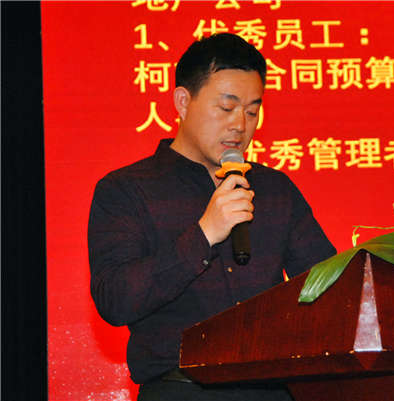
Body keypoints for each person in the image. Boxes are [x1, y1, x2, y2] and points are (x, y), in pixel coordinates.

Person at [87, 33, 336, 401]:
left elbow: (329, 288)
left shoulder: (274, 189)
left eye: (252, 111)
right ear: (182, 101)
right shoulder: (126, 190)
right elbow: (116, 300)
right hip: (180, 390)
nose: (240, 125)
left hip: (272, 390)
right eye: (226, 107)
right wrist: (204, 234)